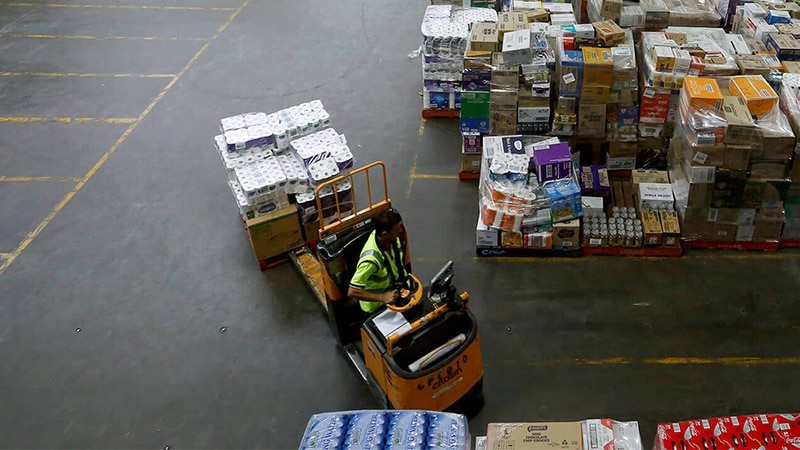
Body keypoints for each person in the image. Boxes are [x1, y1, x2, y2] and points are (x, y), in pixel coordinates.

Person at [348, 208, 412, 313]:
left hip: (398, 293)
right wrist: (383, 298)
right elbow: (352, 291)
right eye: (397, 229)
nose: (401, 231)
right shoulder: (370, 260)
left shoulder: (395, 239)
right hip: (378, 307)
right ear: (384, 234)